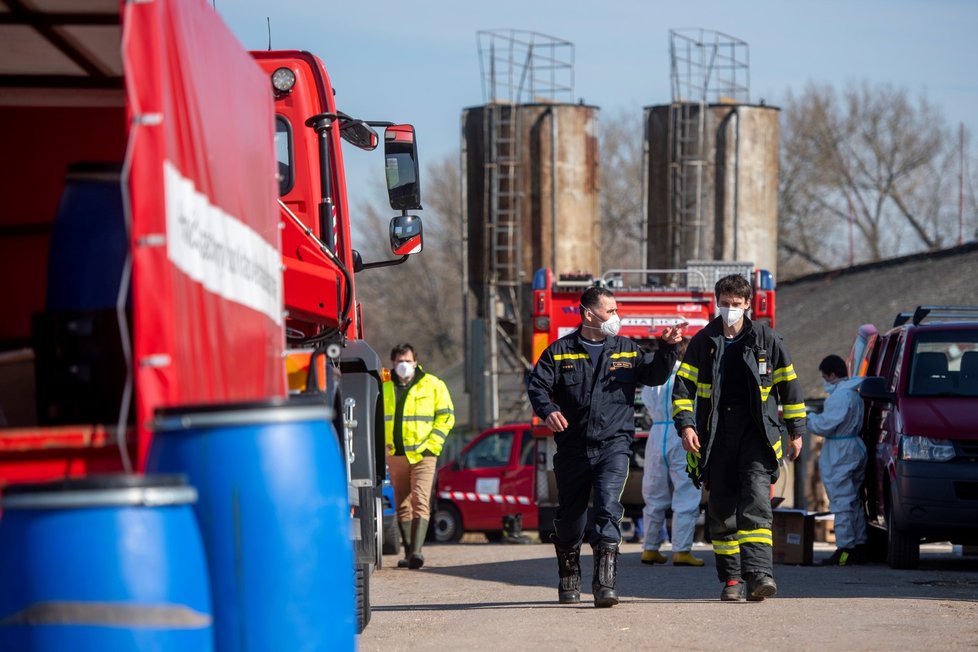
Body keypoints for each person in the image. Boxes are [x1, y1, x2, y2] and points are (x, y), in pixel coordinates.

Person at [527, 286, 686, 608]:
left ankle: (604, 585)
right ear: (589, 314)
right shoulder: (559, 352)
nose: (617, 317)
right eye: (611, 311)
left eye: (616, 310)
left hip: (614, 445)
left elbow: (654, 376)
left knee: (607, 509)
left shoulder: (627, 350)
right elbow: (537, 386)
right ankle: (569, 575)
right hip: (572, 448)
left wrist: (667, 348)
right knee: (571, 518)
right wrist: (548, 410)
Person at [673, 274, 806, 602]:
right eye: (724, 304)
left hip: (757, 435)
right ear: (717, 303)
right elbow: (682, 388)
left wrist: (797, 431)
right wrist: (687, 426)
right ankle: (732, 579)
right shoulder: (704, 341)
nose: (730, 310)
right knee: (721, 508)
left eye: (736, 305)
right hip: (716, 436)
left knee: (757, 502)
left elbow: (789, 387)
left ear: (748, 304)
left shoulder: (767, 339)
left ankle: (760, 575)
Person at [383, 343, 455, 569]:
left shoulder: (433, 385)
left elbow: (446, 417)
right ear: (393, 364)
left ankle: (417, 552)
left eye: (407, 360)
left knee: (420, 500)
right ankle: (407, 553)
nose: (403, 364)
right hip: (395, 454)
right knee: (402, 503)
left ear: (416, 361)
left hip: (424, 454)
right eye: (398, 361)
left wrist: (432, 445)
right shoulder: (385, 387)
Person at [639, 337, 704, 568]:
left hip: (656, 434)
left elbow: (646, 401)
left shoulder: (658, 376)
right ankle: (682, 550)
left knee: (654, 494)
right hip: (683, 433)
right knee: (686, 492)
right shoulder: (690, 374)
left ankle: (650, 548)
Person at [807, 354, 867, 566]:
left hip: (841, 452)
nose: (824, 381)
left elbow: (824, 425)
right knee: (854, 501)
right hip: (853, 448)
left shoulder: (841, 396)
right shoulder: (853, 392)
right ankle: (858, 546)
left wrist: (807, 418)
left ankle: (845, 549)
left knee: (841, 502)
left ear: (832, 374)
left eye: (825, 376)